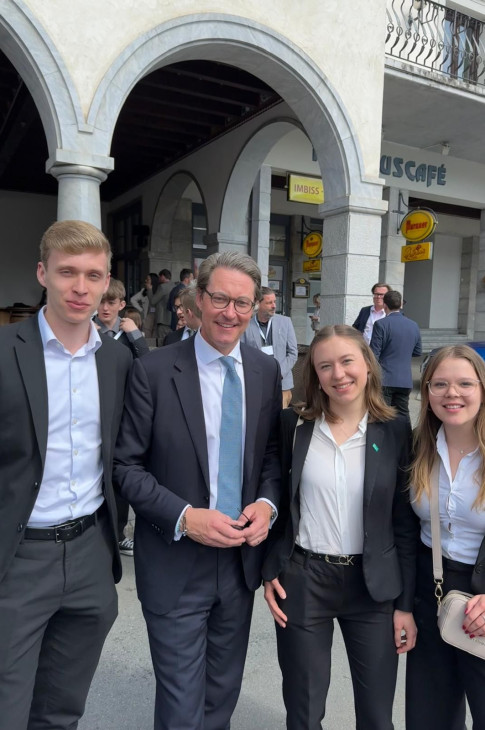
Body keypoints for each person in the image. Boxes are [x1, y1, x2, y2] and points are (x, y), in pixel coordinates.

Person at [113, 251, 281, 730]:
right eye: (220, 299)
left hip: (238, 564)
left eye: (242, 303)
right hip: (175, 562)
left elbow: (271, 455)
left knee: (220, 699)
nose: (230, 312)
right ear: (198, 300)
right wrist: (186, 517)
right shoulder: (153, 370)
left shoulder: (265, 371)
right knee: (182, 708)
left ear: (255, 307)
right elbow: (126, 466)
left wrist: (266, 505)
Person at [0, 220, 132, 730]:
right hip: (18, 558)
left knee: (61, 711)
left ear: (106, 283)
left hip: (89, 556)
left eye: (93, 275)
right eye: (67, 272)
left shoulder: (116, 359)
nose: (80, 287)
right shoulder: (5, 350)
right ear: (43, 273)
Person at [263, 324, 418, 730]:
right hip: (304, 579)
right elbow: (276, 498)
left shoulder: (396, 429)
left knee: (376, 715)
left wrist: (405, 605)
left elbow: (403, 523)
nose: (338, 374)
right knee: (303, 710)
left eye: (347, 361)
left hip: (373, 586)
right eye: (325, 366)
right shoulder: (293, 424)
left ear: (367, 364)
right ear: (315, 374)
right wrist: (270, 568)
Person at [406, 344, 485, 730]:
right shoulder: (417, 448)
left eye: (465, 383)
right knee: (430, 716)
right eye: (439, 384)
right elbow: (404, 529)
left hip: (481, 593)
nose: (452, 393)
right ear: (427, 392)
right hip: (431, 592)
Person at [370, 289, 422, 421]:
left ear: (385, 305)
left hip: (385, 378)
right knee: (403, 415)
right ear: (401, 305)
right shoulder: (413, 325)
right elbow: (417, 351)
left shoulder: (380, 324)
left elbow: (373, 354)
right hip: (405, 379)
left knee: (382, 415)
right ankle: (406, 435)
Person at [243, 286, 298, 408]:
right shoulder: (246, 325)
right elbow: (242, 354)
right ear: (258, 304)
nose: (274, 306)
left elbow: (293, 353)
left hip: (282, 383)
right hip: (256, 384)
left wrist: (279, 373)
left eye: (274, 302)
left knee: (280, 417)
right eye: (269, 303)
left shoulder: (285, 322)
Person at [94, 278, 150, 360]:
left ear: (121, 305)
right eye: (101, 302)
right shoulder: (87, 328)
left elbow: (146, 358)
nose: (105, 308)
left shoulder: (130, 330)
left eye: (111, 303)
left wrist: (135, 333)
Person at [146, 269, 172, 341]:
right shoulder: (173, 286)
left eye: (159, 277)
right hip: (171, 319)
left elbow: (153, 301)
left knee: (161, 341)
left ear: (162, 276)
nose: (158, 279)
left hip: (162, 319)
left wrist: (149, 289)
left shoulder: (162, 287)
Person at [130, 272, 158, 336]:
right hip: (148, 315)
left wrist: (150, 289)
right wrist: (141, 309)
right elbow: (133, 300)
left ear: (153, 280)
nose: (146, 281)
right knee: (146, 332)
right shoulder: (144, 291)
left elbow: (153, 301)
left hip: (156, 315)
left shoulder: (158, 290)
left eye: (148, 279)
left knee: (155, 334)